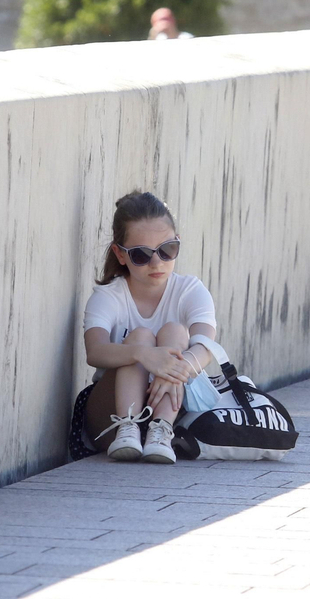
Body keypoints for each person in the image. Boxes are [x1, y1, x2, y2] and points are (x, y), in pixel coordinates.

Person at [82, 191, 217, 463]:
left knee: (176, 332)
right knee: (141, 337)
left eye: (167, 249)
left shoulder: (190, 290)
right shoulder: (109, 296)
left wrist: (172, 369)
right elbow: (94, 351)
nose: (157, 263)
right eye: (141, 255)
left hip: (174, 409)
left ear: (178, 242)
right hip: (110, 413)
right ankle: (128, 428)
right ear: (120, 254)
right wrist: (144, 355)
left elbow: (205, 347)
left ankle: (161, 430)